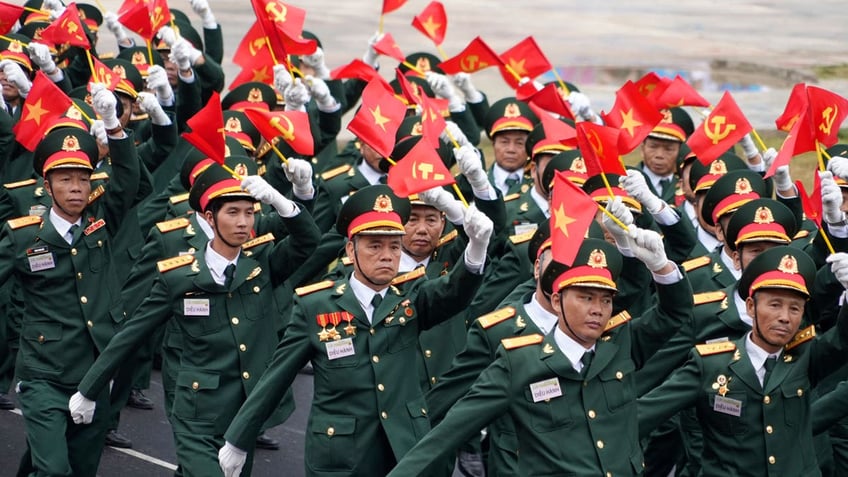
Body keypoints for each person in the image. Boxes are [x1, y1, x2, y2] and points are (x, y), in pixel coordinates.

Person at [218, 184, 493, 476]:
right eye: (375, 246)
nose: (387, 255)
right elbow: (276, 377)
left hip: (404, 448)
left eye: (394, 246)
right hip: (340, 455)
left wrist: (476, 248)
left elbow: (455, 292)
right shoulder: (317, 305)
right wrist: (238, 440)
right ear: (351, 249)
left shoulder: (412, 296)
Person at [69, 164, 320, 476]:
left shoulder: (263, 262)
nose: (243, 222)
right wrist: (89, 388)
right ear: (209, 218)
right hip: (197, 410)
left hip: (245, 410)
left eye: (249, 213)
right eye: (232, 213)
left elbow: (309, 242)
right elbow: (133, 332)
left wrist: (282, 202)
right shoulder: (179, 276)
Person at [386, 229, 691, 476]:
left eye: (605, 300)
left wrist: (661, 267)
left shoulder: (620, 344)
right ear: (557, 301)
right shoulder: (518, 362)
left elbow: (675, 313)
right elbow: (449, 431)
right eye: (585, 298)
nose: (597, 310)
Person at [0, 85, 139, 477]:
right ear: (47, 186)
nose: (76, 188)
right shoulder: (25, 234)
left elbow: (130, 181)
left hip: (94, 372)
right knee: (56, 470)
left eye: (82, 179)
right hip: (44, 374)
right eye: (65, 180)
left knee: (78, 468)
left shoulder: (99, 225)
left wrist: (114, 128)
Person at [638, 246, 848, 476]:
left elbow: (843, 339)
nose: (785, 318)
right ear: (750, 307)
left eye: (795, 309)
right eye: (774, 305)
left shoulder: (805, 357)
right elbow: (643, 415)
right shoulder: (710, 365)